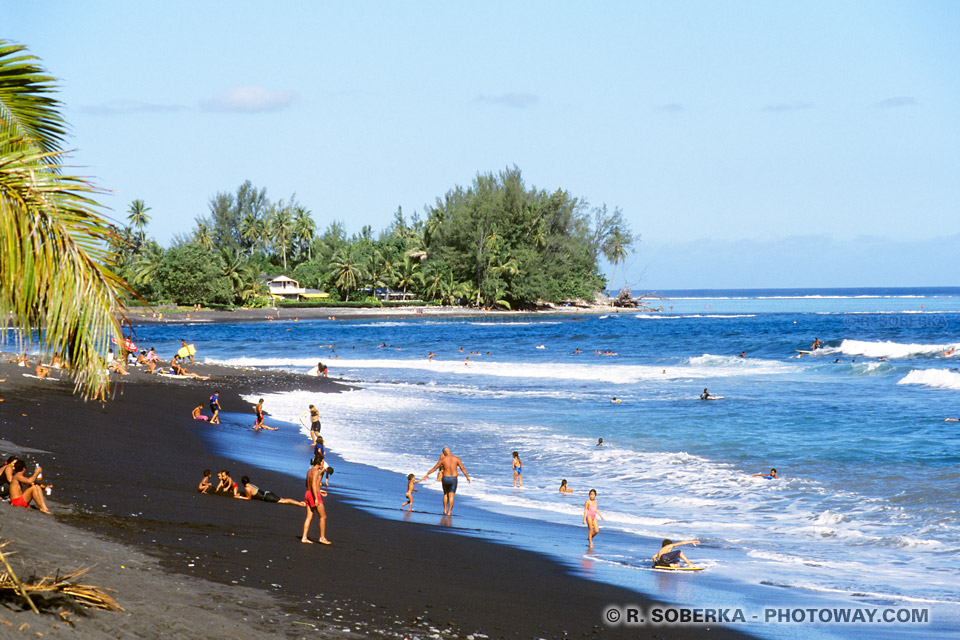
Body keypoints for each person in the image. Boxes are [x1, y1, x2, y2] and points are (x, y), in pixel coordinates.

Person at [420, 447, 471, 516]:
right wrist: (467, 477)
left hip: (445, 478)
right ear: (450, 451)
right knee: (451, 495)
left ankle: (444, 510)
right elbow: (462, 468)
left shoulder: (443, 459)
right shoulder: (456, 458)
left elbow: (435, 468)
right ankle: (449, 512)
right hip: (453, 478)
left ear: (444, 453)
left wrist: (427, 473)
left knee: (445, 494)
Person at [302, 455, 330, 544]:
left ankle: (304, 537)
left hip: (308, 493)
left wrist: (319, 490)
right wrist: (316, 498)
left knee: (309, 517)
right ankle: (322, 537)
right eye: (322, 462)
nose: (323, 464)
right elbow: (314, 484)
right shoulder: (316, 472)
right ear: (319, 462)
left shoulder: (309, 471)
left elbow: (308, 484)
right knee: (323, 516)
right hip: (314, 495)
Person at [237, 476, 305, 506]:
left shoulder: (247, 488)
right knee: (284, 499)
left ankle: (301, 504)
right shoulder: (251, 485)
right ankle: (300, 503)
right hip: (268, 493)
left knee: (284, 501)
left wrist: (239, 497)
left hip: (267, 497)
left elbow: (249, 498)